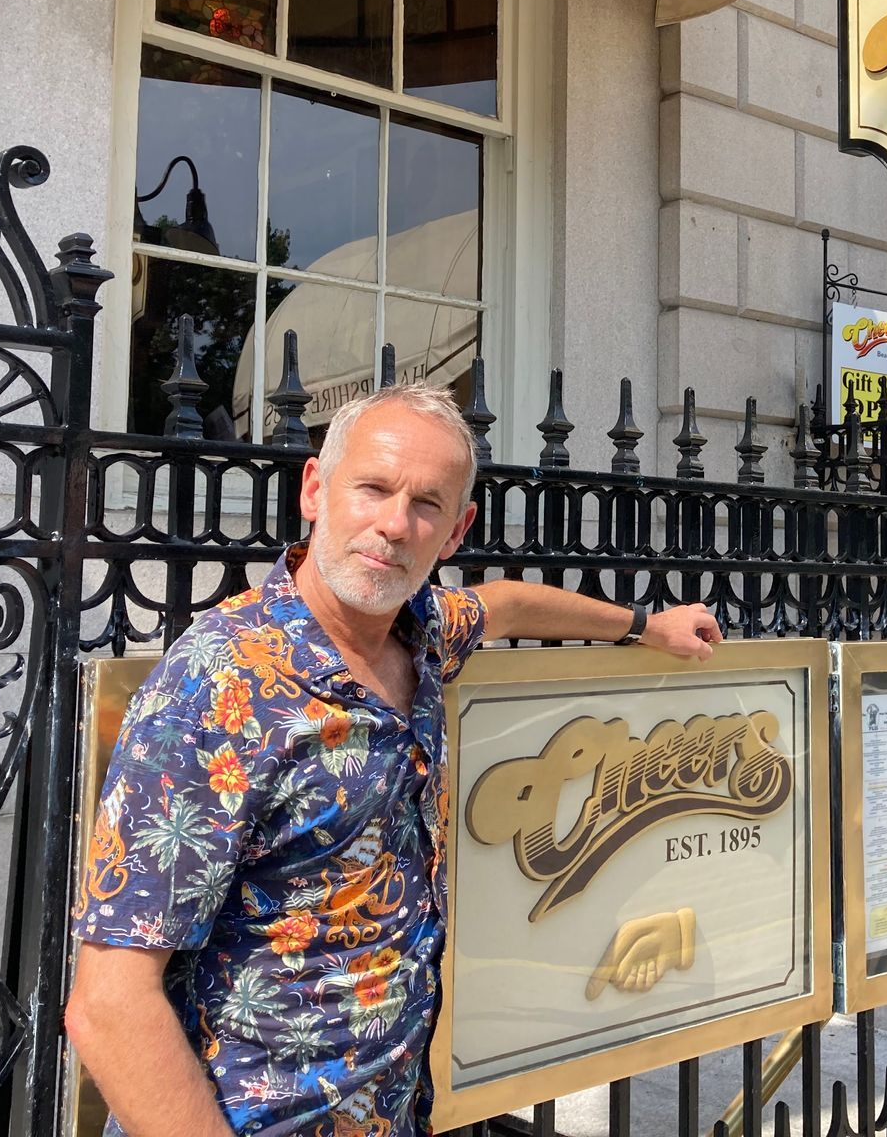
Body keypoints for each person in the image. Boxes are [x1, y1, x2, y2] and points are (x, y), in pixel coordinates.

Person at [64, 381, 725, 1137]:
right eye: (372, 488)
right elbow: (110, 1004)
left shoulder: (422, 631)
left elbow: (508, 605)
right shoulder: (218, 685)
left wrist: (645, 626)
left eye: (427, 504)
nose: (394, 525)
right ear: (315, 489)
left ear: (456, 530)